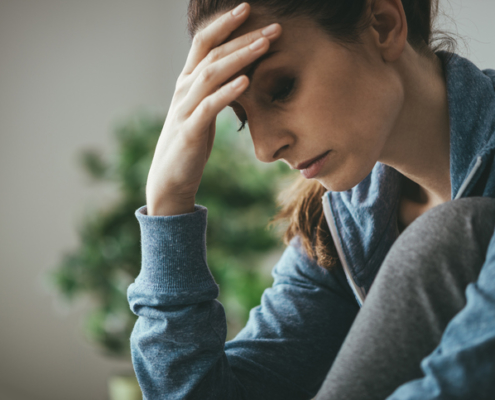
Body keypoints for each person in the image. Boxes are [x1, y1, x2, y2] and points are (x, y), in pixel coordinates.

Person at [127, 0, 495, 398]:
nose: (265, 149)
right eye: (242, 117)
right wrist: (169, 204)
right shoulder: (342, 224)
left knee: (448, 234)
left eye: (281, 88)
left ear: (383, 25)